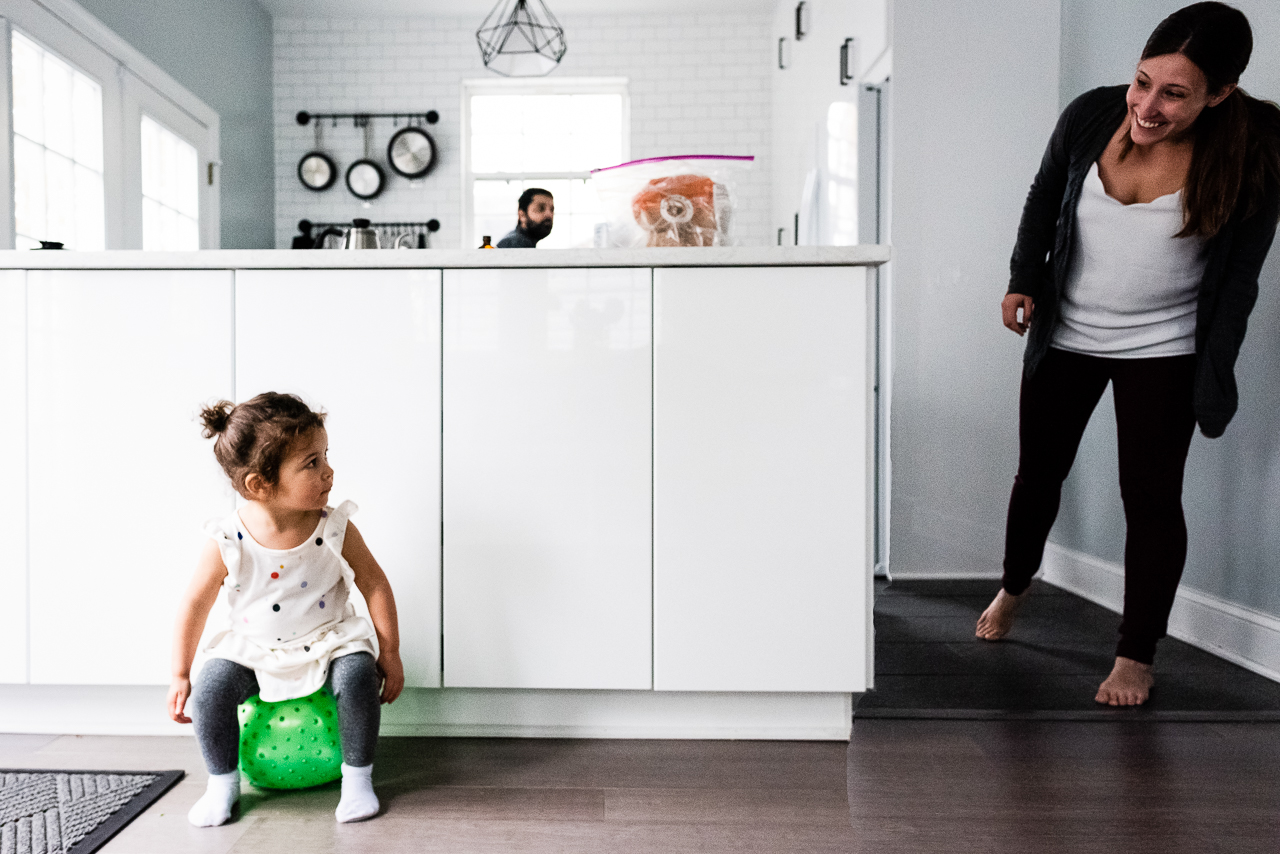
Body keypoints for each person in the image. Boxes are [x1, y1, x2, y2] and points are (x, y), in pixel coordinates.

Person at [977, 2, 1280, 707]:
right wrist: (1023, 276)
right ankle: (1014, 586)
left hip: (1165, 350)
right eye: (1142, 82)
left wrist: (1215, 371)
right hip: (1068, 334)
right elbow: (1043, 196)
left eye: (1174, 93)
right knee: (1039, 476)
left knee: (1149, 499)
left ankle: (1136, 653)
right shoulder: (1091, 116)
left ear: (1220, 94)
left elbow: (1238, 282)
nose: (1146, 105)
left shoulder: (1247, 158)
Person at [168, 392, 404, 825]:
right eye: (311, 463)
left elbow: (374, 583)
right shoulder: (227, 538)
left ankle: (357, 779)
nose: (328, 471)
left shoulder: (334, 526)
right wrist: (181, 673)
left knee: (357, 677)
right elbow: (195, 604)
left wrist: (388, 651)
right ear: (261, 484)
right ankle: (221, 784)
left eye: (325, 456)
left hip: (328, 638)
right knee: (210, 693)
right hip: (254, 647)